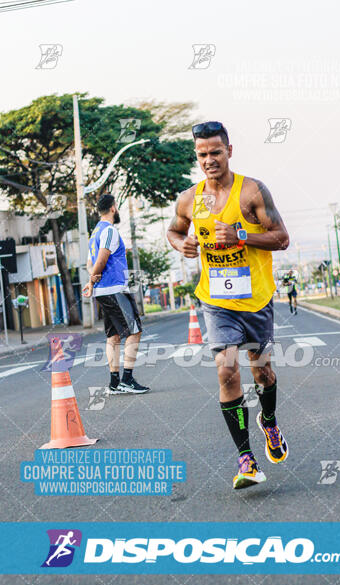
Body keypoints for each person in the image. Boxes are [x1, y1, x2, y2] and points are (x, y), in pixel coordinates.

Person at [167, 121, 289, 490]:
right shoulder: (189, 198)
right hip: (216, 300)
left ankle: (268, 419)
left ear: (229, 151)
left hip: (256, 299)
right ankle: (246, 460)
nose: (209, 160)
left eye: (215, 152)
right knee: (226, 370)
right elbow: (174, 230)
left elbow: (282, 238)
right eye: (202, 154)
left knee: (262, 373)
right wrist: (180, 245)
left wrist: (241, 234)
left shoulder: (252, 191)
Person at [83, 194, 150, 395]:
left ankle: (114, 383)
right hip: (115, 290)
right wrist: (92, 280)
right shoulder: (110, 230)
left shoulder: (94, 233)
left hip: (104, 292)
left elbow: (90, 263)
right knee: (134, 331)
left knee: (113, 336)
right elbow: (101, 260)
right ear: (113, 208)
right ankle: (127, 380)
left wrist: (93, 280)